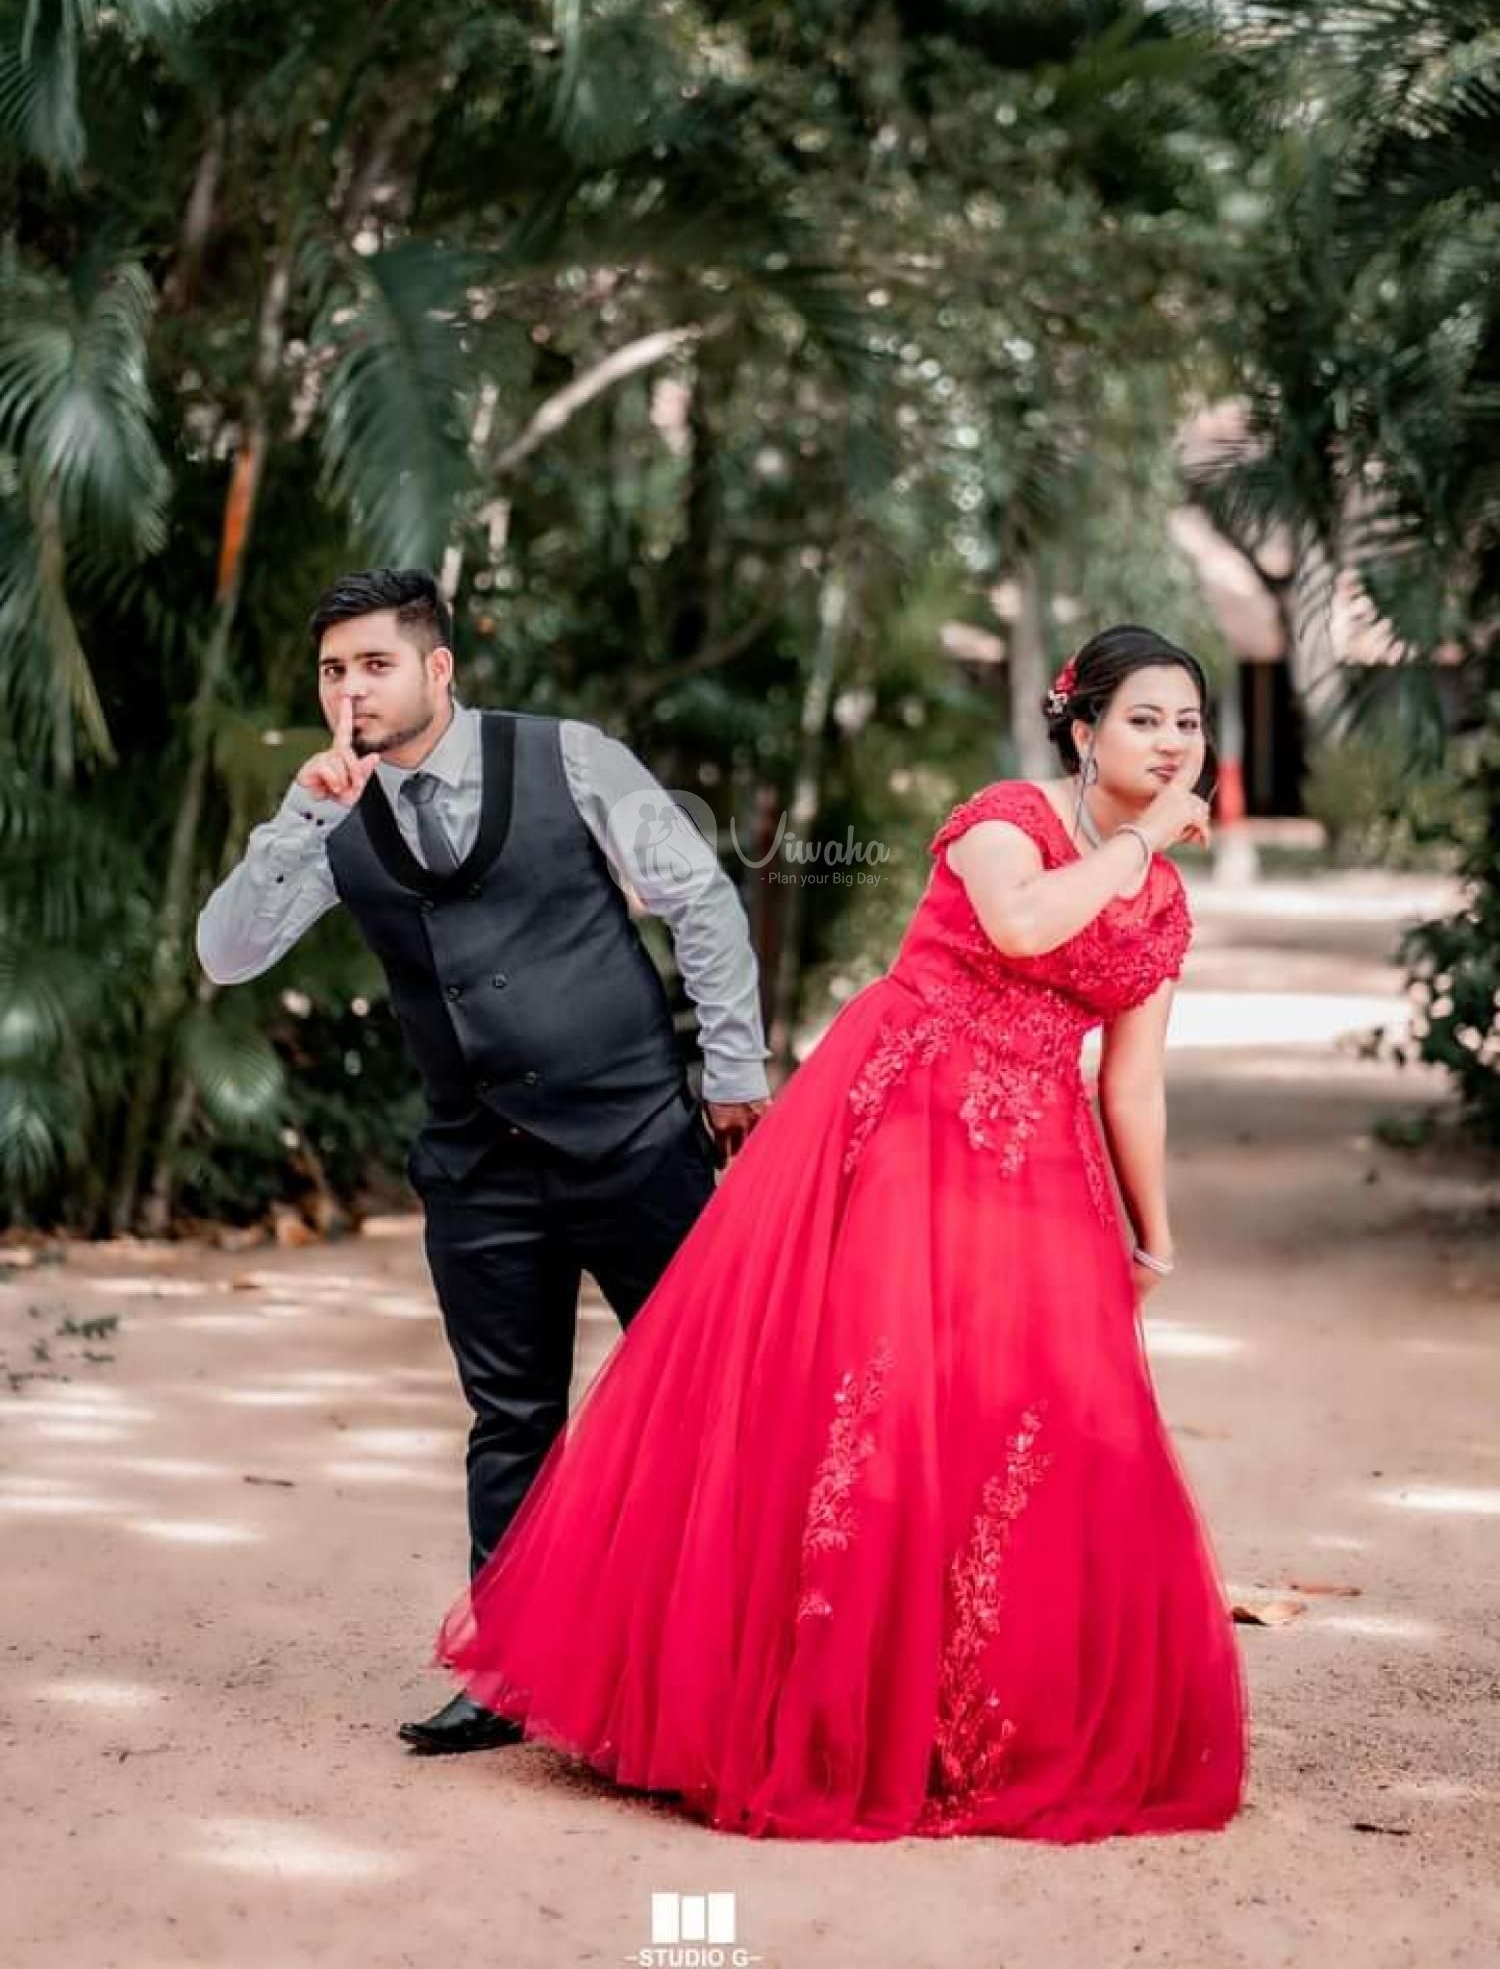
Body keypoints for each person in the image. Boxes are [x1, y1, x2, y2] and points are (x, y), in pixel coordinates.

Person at [432, 624, 1249, 1840]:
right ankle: (807, 1706)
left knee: (1025, 1419)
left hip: (1037, 1154)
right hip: (899, 1118)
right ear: (1083, 730)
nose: (1173, 742)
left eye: (1188, 723)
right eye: (1146, 718)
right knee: (874, 1401)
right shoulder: (1005, 819)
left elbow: (1133, 1084)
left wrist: (1155, 1242)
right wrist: (1139, 841)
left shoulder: (1162, 905)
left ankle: (965, 1718)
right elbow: (1023, 928)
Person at [195, 568, 770, 1753]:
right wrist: (299, 816)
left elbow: (701, 901)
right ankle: (505, 1677)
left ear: (438, 667)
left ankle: (740, 1656)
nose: (351, 690)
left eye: (374, 664)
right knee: (510, 1422)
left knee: (717, 1397)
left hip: (637, 1144)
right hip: (478, 1171)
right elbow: (227, 954)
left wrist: (731, 1073)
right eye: (332, 671)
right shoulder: (332, 812)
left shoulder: (567, 757)